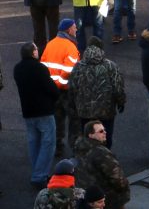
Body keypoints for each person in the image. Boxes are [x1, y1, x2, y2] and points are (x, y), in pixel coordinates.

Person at [14, 41, 59, 190]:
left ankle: (37, 171)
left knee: (34, 143)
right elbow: (51, 88)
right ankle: (39, 175)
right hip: (44, 111)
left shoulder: (17, 69)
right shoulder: (40, 68)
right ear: (33, 53)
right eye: (36, 49)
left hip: (28, 111)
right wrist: (56, 96)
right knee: (48, 143)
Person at [69, 38, 126, 149]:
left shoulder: (78, 67)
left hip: (84, 112)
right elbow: (118, 88)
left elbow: (72, 88)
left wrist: (73, 106)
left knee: (87, 138)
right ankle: (104, 160)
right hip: (106, 112)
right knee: (105, 138)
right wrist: (121, 102)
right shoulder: (111, 66)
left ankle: (88, 162)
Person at [41, 18, 81, 157]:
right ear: (69, 29)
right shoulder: (70, 47)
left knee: (57, 120)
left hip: (52, 91)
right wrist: (64, 84)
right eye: (75, 27)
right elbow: (70, 71)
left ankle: (57, 147)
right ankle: (75, 148)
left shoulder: (50, 44)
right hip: (66, 91)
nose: (76, 29)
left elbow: (43, 66)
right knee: (74, 121)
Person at [73, 120, 130, 208]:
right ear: (91, 135)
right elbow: (118, 180)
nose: (105, 132)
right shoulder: (102, 153)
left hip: (86, 197)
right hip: (106, 200)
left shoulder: (79, 147)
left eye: (104, 130)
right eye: (100, 131)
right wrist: (124, 189)